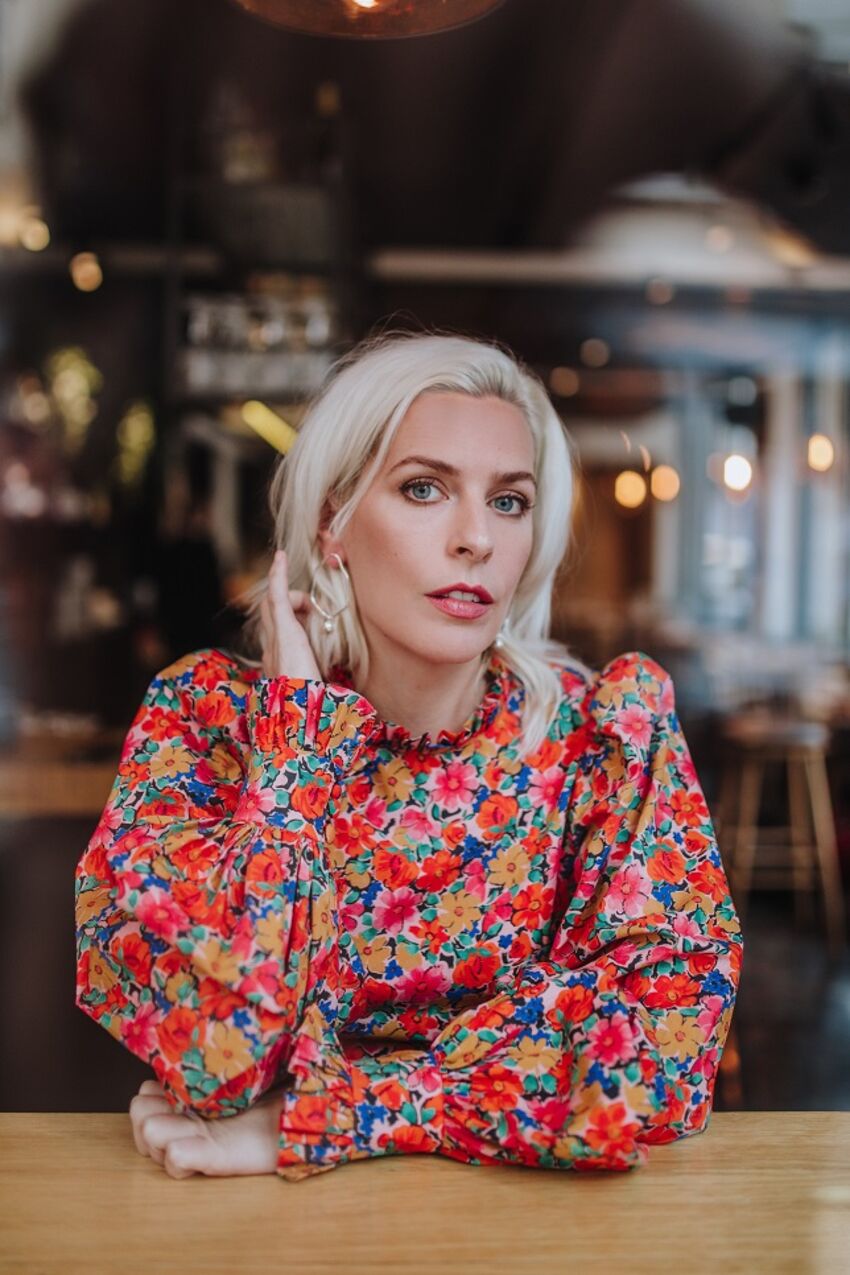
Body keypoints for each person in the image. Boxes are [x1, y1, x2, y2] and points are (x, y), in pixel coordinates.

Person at [75, 330, 743, 1181]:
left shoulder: (602, 735)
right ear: (333, 526)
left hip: (536, 1235)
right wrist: (294, 746)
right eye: (424, 488)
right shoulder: (208, 725)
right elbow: (215, 1055)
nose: (476, 538)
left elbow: (667, 1047)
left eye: (509, 501)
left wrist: (331, 1110)